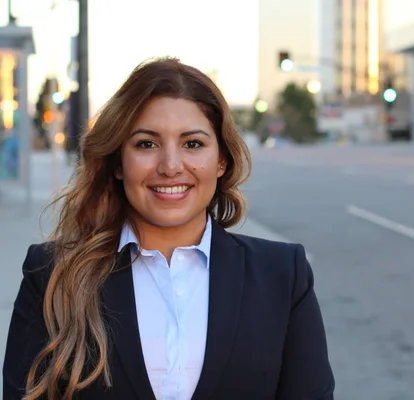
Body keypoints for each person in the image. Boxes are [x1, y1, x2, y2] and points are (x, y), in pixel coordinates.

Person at [3, 57, 335, 400]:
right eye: (147, 144)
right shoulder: (54, 275)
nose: (171, 166)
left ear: (221, 160)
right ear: (119, 162)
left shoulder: (283, 274)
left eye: (193, 144)